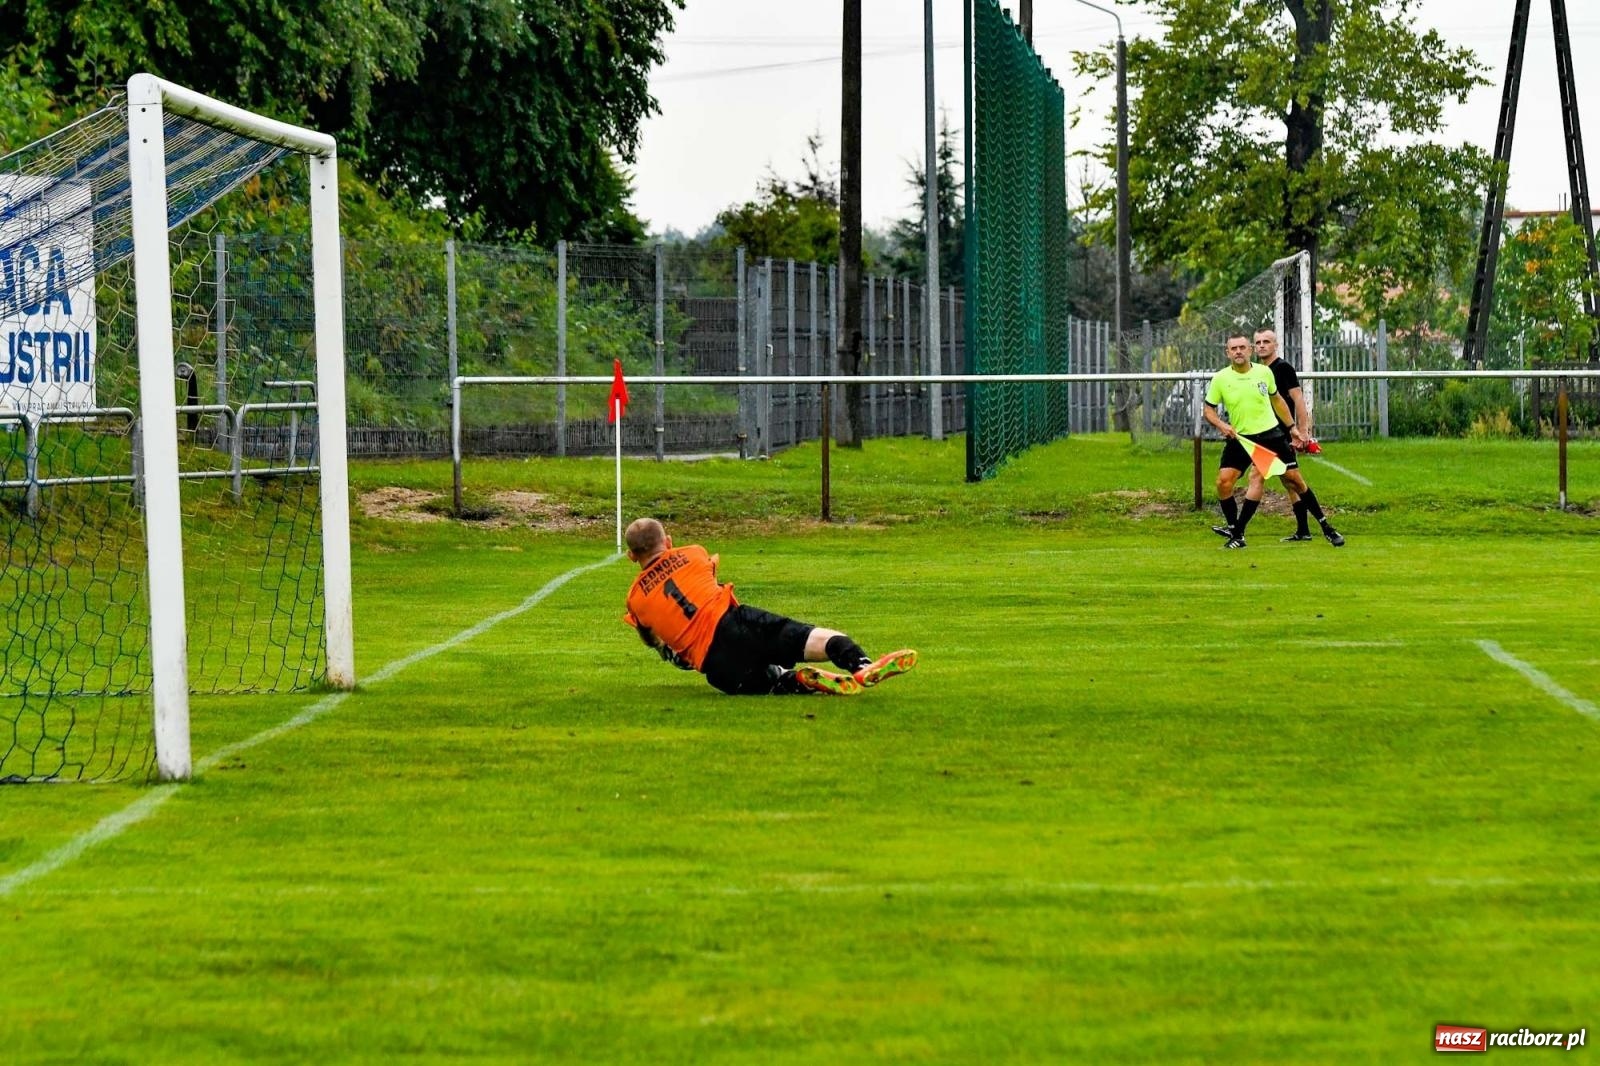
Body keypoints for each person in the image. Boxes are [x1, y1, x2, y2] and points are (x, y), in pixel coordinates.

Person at [621, 517, 918, 696]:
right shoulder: (693, 553)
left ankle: (794, 680)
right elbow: (702, 582)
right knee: (805, 637)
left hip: (714, 665)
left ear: (632, 557)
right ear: (669, 541)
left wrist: (665, 649)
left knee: (766, 682)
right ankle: (860, 664)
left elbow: (647, 633)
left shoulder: (635, 598)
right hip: (734, 622)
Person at [1204, 333, 1344, 549]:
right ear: (1227, 352)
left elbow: (1277, 400)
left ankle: (1327, 528)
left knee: (1294, 481)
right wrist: (1222, 426)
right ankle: (1236, 531)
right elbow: (1208, 410)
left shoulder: (1264, 372)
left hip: (1270, 436)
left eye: (1242, 347)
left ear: (1249, 350)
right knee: (1223, 482)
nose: (1238, 351)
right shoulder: (1221, 378)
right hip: (1241, 439)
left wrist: (1292, 428)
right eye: (1234, 349)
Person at [1253, 328, 1316, 541]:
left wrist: (1302, 430)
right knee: (1288, 481)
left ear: (1275, 345)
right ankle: (1304, 530)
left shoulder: (1283, 368)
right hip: (1264, 433)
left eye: (1266, 342)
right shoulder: (1258, 371)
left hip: (1281, 433)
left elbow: (1298, 398)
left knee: (1290, 480)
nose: (1262, 345)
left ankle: (1236, 529)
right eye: (1258, 342)